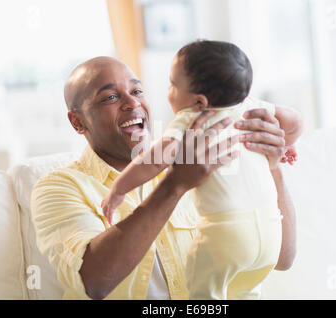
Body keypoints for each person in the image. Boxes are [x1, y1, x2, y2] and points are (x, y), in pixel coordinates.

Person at [30, 55, 301, 300]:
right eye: (111, 97)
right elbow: (95, 281)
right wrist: (176, 183)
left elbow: (282, 257)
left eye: (137, 91)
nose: (133, 102)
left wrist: (272, 165)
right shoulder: (58, 187)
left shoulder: (203, 154)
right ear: (77, 122)